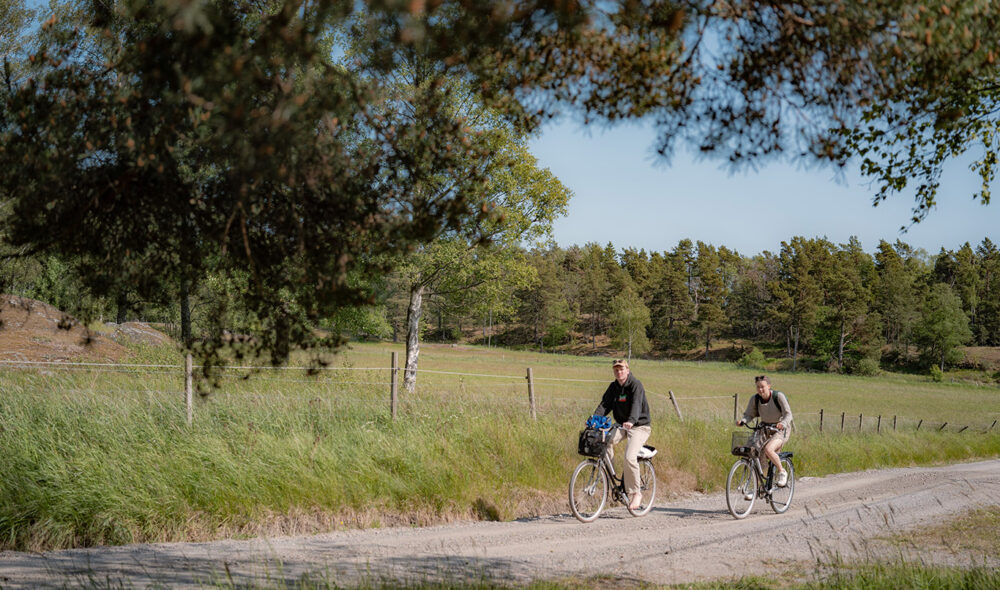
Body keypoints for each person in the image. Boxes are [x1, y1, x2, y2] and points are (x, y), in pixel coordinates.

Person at [592, 358, 651, 510]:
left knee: (629, 457)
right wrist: (594, 419)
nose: (619, 372)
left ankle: (636, 493)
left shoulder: (635, 385)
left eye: (622, 369)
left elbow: (636, 405)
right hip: (622, 425)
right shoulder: (614, 387)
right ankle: (613, 476)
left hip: (639, 426)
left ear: (627, 370)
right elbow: (605, 405)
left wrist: (631, 420)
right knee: (604, 441)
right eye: (616, 370)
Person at [737, 375, 793, 490]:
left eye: (762, 387)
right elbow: (749, 415)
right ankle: (757, 487)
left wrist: (782, 423)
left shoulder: (778, 396)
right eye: (758, 387)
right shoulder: (755, 399)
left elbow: (788, 414)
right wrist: (743, 421)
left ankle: (782, 472)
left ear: (769, 386)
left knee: (768, 450)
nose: (760, 390)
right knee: (752, 452)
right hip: (764, 429)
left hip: (780, 429)